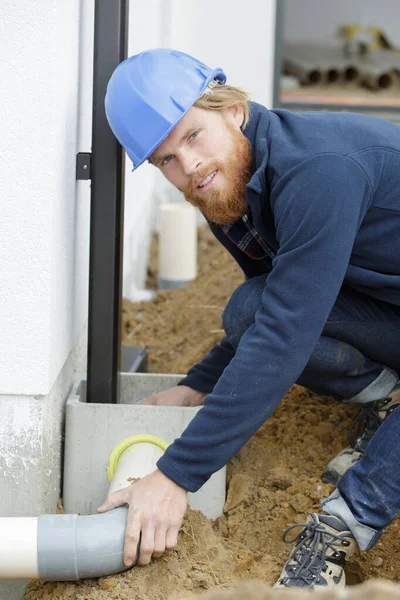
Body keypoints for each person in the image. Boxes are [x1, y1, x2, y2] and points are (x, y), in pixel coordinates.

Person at [98, 48, 400, 589]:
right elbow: (276, 302)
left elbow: (286, 335)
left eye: (192, 136)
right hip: (388, 305)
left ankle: (342, 524)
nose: (188, 167)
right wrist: (197, 386)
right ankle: (385, 392)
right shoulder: (229, 189)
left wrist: (175, 475)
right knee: (248, 309)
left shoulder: (317, 171)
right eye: (166, 159)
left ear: (233, 109)